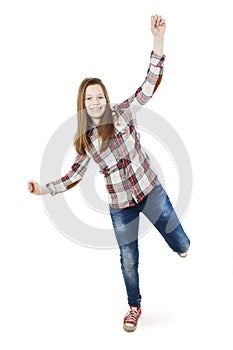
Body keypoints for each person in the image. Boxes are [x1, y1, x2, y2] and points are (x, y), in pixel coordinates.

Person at [28, 14, 190, 332]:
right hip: (121, 207)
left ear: (106, 98)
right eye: (89, 98)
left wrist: (158, 40)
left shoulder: (123, 113)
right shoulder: (86, 142)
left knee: (180, 241)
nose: (96, 101)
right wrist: (44, 188)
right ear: (83, 105)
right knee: (128, 258)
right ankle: (134, 307)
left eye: (100, 96)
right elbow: (74, 175)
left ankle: (181, 247)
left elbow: (148, 86)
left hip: (150, 191)